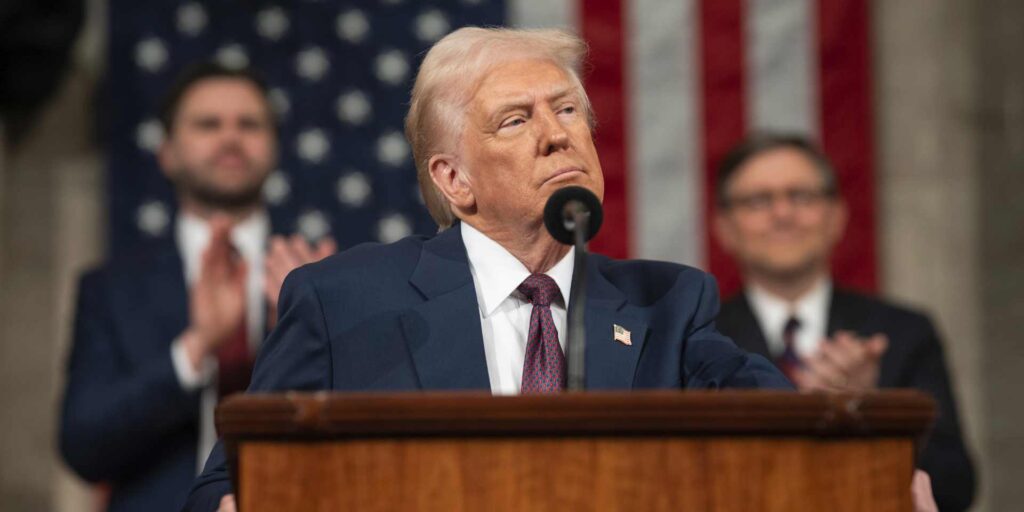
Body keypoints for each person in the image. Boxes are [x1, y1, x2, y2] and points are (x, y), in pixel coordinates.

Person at [183, 27, 791, 512]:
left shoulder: (670, 305)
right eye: (517, 120)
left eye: (570, 111)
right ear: (454, 180)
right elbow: (223, 486)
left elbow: (779, 427)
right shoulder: (346, 300)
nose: (558, 137)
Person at [59, 63, 336, 512]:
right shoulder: (111, 288)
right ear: (167, 152)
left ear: (274, 148)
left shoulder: (323, 271)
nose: (230, 137)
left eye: (249, 124)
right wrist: (196, 347)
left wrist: (314, 332)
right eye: (208, 124)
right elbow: (83, 446)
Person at [712, 132, 975, 511]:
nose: (782, 214)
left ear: (837, 217)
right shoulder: (698, 335)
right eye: (758, 201)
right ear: (725, 227)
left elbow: (956, 487)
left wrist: (869, 411)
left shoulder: (905, 333)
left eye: (801, 196)